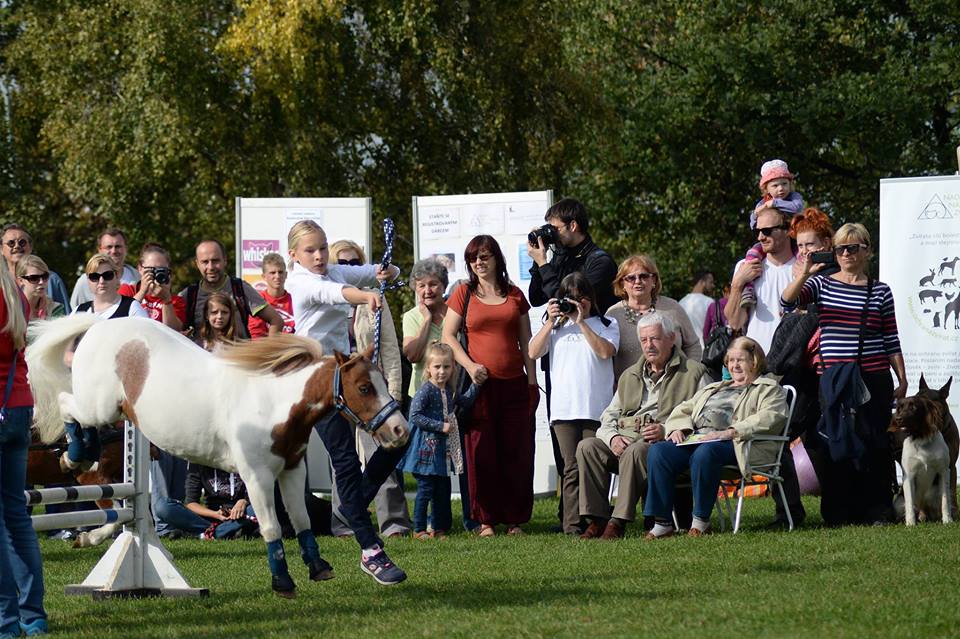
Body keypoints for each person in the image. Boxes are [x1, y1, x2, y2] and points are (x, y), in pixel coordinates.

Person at [284, 220, 408, 585]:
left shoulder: (334, 268)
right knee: (346, 459)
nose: (319, 255)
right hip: (313, 382)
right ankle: (371, 551)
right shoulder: (301, 282)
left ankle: (355, 502)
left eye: (322, 247)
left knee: (400, 434)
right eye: (311, 250)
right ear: (294, 255)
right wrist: (367, 294)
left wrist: (386, 271)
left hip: (342, 374)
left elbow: (381, 271)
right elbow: (336, 294)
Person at [781, 222, 907, 526]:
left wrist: (902, 378)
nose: (847, 253)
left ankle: (877, 509)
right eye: (840, 248)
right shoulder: (821, 285)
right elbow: (787, 302)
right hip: (835, 378)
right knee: (835, 442)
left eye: (853, 247)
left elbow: (891, 337)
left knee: (875, 442)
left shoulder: (880, 291)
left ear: (867, 251)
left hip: (874, 375)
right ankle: (838, 512)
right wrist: (805, 272)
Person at [577, 312, 709, 539]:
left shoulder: (694, 373)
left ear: (671, 338)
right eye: (644, 340)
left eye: (655, 339)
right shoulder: (630, 375)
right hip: (625, 438)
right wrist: (612, 438)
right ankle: (597, 519)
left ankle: (618, 521)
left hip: (662, 446)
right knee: (587, 446)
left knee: (636, 450)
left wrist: (666, 430)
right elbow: (607, 418)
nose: (649, 345)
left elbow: (706, 417)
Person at [526, 198, 617, 529]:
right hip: (561, 361)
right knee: (565, 452)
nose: (552, 235)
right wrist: (541, 262)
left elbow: (567, 302)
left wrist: (548, 267)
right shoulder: (559, 258)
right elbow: (540, 297)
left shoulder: (600, 261)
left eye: (556, 229)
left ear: (574, 226)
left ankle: (594, 516)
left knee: (590, 451)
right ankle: (571, 517)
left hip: (591, 361)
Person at [644, 337, 789, 538]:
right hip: (698, 440)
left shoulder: (768, 388)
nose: (734, 365)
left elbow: (771, 417)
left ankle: (700, 521)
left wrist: (731, 431)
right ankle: (662, 523)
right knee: (659, 451)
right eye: (731, 360)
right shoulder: (715, 387)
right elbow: (684, 409)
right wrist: (678, 428)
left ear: (754, 362)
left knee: (707, 452)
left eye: (740, 360)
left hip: (738, 444)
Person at [442, 235, 539, 537]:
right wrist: (470, 367)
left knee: (517, 453)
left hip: (515, 385)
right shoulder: (463, 294)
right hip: (479, 387)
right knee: (481, 454)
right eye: (473, 258)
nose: (479, 263)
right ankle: (485, 520)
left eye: (484, 256)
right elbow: (447, 336)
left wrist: (533, 383)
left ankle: (514, 520)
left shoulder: (515, 295)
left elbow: (527, 343)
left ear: (496, 258)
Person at [328, 239, 411, 539]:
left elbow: (389, 346)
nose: (349, 267)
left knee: (382, 453)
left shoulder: (374, 296)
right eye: (343, 263)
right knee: (343, 461)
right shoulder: (328, 296)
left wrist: (395, 393)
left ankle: (394, 524)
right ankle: (344, 524)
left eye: (354, 263)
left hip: (371, 392)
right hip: (338, 391)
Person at [765, 207, 837, 529]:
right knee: (787, 438)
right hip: (802, 373)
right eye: (802, 245)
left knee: (821, 442)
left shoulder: (834, 275)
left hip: (829, 372)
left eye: (812, 244)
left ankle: (826, 510)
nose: (806, 251)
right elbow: (786, 305)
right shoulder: (802, 276)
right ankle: (791, 512)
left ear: (827, 243)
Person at [402, 258, 478, 533]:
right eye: (421, 285)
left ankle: (443, 523)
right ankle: (421, 525)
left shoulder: (454, 316)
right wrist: (425, 322)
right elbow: (412, 355)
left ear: (444, 286)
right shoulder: (411, 317)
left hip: (450, 399)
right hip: (422, 401)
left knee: (446, 467)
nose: (427, 290)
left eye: (433, 284)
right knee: (425, 468)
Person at [60, 254, 149, 473]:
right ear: (88, 280)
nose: (101, 281)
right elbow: (65, 355)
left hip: (121, 393)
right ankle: (78, 445)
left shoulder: (132, 308)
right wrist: (84, 363)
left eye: (107, 275)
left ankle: (82, 446)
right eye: (95, 276)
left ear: (117, 277)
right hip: (83, 386)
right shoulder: (79, 311)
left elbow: (146, 351)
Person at [0, 260, 48, 637]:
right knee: (17, 516)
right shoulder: (15, 293)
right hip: (18, 407)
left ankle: (6, 622)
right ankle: (34, 616)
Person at [399, 342, 479, 539]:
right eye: (437, 367)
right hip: (424, 450)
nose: (441, 372)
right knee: (425, 490)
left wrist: (477, 384)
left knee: (441, 490)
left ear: (453, 368)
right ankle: (419, 529)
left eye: (446, 367)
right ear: (428, 368)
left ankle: (438, 527)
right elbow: (415, 416)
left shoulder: (450, 391)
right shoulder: (425, 390)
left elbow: (466, 401)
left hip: (442, 452)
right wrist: (440, 425)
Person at [607, 254, 702, 380]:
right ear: (622, 284)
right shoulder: (613, 314)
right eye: (631, 278)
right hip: (631, 389)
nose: (638, 281)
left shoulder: (672, 308)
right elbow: (605, 357)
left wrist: (689, 376)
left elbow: (693, 345)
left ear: (654, 280)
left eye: (643, 276)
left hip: (675, 384)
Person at [725, 206, 796, 354]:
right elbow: (735, 322)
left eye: (767, 231)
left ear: (788, 230)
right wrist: (737, 284)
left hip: (794, 361)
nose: (760, 237)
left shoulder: (802, 268)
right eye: (757, 231)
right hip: (757, 361)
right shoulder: (746, 267)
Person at [179, 239, 283, 339]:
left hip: (237, 356)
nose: (211, 267)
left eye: (215, 261)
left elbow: (276, 320)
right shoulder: (188, 295)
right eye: (205, 262)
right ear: (197, 264)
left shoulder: (239, 289)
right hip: (202, 356)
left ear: (225, 260)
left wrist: (269, 353)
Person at [2, 223, 70, 313]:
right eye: (11, 243)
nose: (17, 246)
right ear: (1, 249)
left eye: (22, 242)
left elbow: (66, 318)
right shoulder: (1, 282)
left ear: (30, 247)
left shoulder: (51, 279)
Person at [118, 243, 185, 331]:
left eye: (161, 270)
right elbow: (119, 319)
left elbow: (174, 332)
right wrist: (142, 292)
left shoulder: (175, 301)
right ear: (140, 268)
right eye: (151, 269)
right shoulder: (128, 291)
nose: (156, 274)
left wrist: (166, 300)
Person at [70, 228, 140, 309]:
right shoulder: (85, 281)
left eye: (118, 246)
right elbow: (74, 314)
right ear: (99, 250)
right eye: (109, 247)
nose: (114, 251)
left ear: (126, 249)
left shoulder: (138, 278)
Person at [247, 253, 295, 338]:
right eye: (272, 273)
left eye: (280, 272)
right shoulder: (258, 301)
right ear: (264, 276)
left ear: (286, 275)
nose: (277, 276)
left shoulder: (295, 300)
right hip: (266, 349)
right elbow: (256, 336)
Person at [16, 256, 65, 320]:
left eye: (45, 276)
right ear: (20, 281)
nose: (41, 282)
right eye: (34, 278)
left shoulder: (54, 308)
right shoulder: (11, 309)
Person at [678, 270, 715, 347]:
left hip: (685, 350)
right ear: (702, 282)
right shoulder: (709, 302)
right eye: (710, 282)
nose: (712, 285)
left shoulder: (681, 302)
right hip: (703, 349)